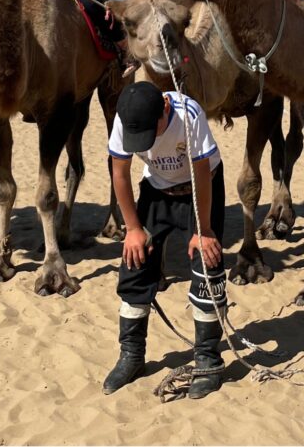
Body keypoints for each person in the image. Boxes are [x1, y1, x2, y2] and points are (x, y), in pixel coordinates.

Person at [103, 81, 227, 399]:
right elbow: (119, 172)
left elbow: (202, 172)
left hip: (200, 191)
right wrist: (132, 228)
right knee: (134, 265)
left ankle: (208, 360)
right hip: (156, 192)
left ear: (165, 110)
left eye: (151, 130)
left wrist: (203, 230)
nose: (146, 140)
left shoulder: (188, 115)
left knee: (207, 267)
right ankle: (132, 357)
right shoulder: (125, 116)